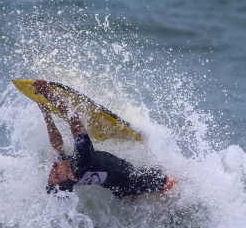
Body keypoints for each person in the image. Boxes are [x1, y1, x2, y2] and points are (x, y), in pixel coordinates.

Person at [32, 79, 176, 198]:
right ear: (70, 176)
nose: (53, 170)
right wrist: (48, 94)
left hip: (121, 193)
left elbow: (57, 144)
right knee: (184, 185)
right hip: (142, 181)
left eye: (51, 174)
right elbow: (75, 121)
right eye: (57, 176)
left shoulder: (66, 165)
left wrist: (46, 113)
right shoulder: (85, 161)